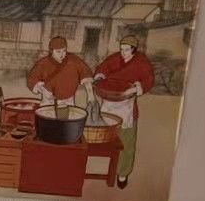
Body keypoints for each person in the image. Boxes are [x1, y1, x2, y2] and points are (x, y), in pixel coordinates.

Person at [93, 35, 155, 189]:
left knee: (126, 142)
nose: (123, 53)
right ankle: (103, 169)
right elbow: (102, 68)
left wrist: (136, 88)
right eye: (121, 49)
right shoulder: (115, 58)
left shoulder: (142, 63)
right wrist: (99, 76)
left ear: (133, 50)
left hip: (127, 106)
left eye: (126, 50)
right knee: (104, 137)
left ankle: (123, 173)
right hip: (109, 102)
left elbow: (148, 80)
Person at [26, 34, 91, 107]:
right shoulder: (43, 63)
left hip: (68, 102)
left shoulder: (73, 60)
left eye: (64, 51)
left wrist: (90, 96)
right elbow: (32, 80)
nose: (62, 55)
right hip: (49, 102)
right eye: (58, 52)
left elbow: (85, 73)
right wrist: (43, 90)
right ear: (51, 51)